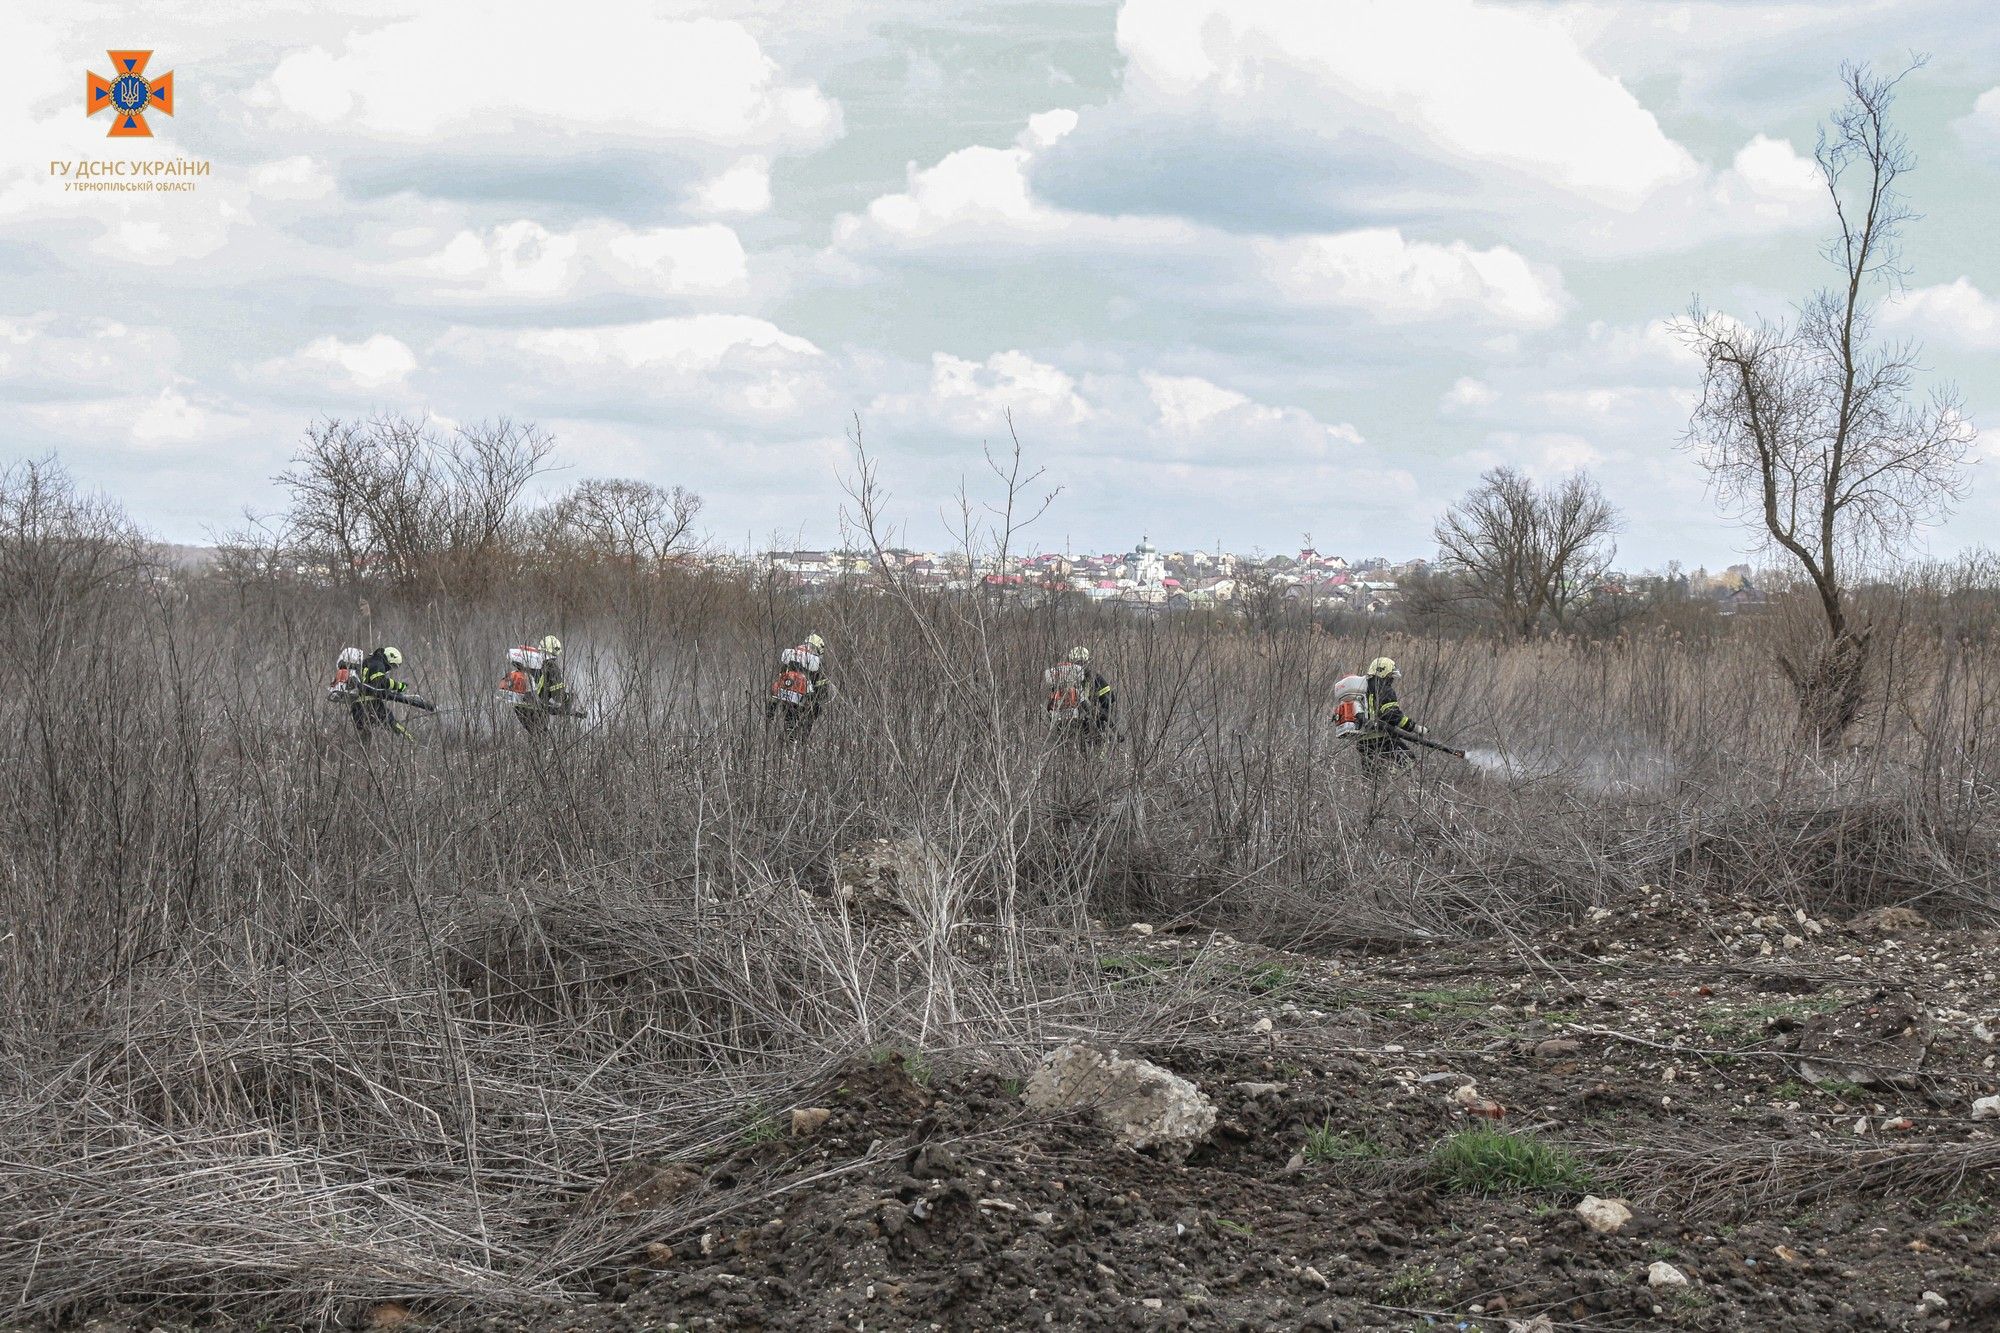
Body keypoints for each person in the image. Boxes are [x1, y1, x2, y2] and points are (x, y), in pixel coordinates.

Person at [1356, 656, 1421, 774]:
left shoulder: (1362, 687)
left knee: (1373, 777)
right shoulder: (1384, 689)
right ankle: (1408, 788)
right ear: (1383, 673)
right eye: (1390, 676)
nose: (1391, 680)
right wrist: (1414, 727)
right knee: (1410, 763)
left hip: (1362, 741)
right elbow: (1391, 715)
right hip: (1382, 738)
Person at [352, 645, 432, 739]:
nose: (390, 668)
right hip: (371, 704)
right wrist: (399, 686)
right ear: (390, 658)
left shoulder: (367, 662)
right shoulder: (378, 664)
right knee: (393, 723)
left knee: (365, 738)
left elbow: (371, 684)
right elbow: (380, 682)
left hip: (357, 707)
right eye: (392, 665)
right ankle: (414, 743)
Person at [502, 635, 576, 732]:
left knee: (535, 735)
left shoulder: (531, 663)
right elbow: (557, 696)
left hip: (520, 706)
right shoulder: (552, 668)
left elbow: (541, 689)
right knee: (540, 738)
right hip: (534, 708)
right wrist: (567, 698)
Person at [1045, 645, 1114, 745]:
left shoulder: (1094, 678)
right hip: (1071, 723)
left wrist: (1100, 714)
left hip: (1084, 721)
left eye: (1082, 663)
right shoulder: (1062, 681)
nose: (1080, 666)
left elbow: (1108, 699)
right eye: (1077, 663)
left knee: (1099, 742)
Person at [766, 632, 831, 737]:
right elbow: (822, 689)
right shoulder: (816, 663)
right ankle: (798, 743)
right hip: (805, 702)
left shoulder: (790, 656)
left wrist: (771, 710)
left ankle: (788, 742)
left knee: (789, 723)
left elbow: (779, 678)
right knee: (807, 723)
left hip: (786, 697)